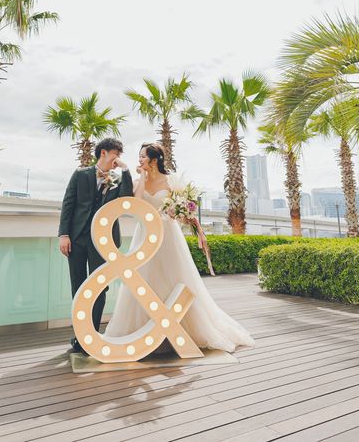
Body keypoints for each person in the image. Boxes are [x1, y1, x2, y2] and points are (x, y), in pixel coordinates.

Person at [105, 142, 255, 352]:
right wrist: (142, 178)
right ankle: (143, 332)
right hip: (145, 234)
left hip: (167, 234)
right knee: (143, 279)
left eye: (143, 156)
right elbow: (137, 203)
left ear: (154, 160)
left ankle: (181, 330)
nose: (139, 159)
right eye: (139, 156)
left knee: (173, 278)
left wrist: (194, 226)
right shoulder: (138, 181)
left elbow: (186, 211)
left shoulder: (171, 181)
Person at [58, 137, 133, 353]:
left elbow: (126, 200)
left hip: (104, 242)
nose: (118, 158)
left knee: (100, 287)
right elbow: (68, 203)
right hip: (77, 238)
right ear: (104, 153)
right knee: (78, 285)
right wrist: (64, 234)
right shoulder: (80, 174)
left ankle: (91, 336)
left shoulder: (118, 180)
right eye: (116, 154)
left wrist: (126, 170)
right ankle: (80, 335)